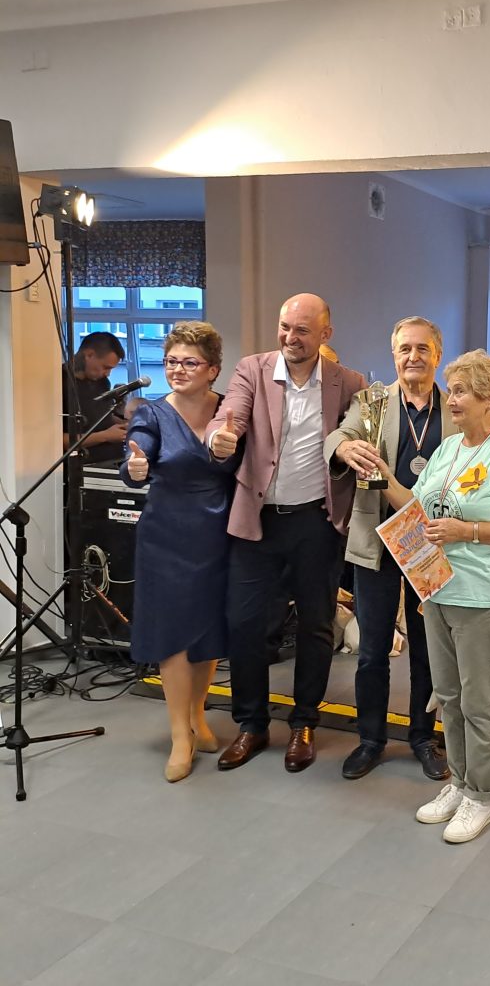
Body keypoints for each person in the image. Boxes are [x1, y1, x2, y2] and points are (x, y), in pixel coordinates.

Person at [369, 350, 490, 843]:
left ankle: (480, 796)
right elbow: (416, 506)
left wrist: (469, 531)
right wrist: (383, 475)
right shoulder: (448, 449)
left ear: (489, 397)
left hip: (481, 595)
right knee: (448, 696)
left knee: (480, 701)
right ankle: (460, 783)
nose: (453, 400)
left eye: (462, 391)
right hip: (438, 588)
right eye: (453, 391)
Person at [208, 293, 366, 774]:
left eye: (301, 330)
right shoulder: (253, 370)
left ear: (325, 334)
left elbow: (357, 434)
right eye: (284, 327)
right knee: (246, 625)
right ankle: (252, 724)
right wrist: (220, 436)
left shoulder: (348, 382)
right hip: (258, 521)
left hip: (317, 522)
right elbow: (230, 415)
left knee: (317, 625)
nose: (289, 337)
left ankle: (304, 723)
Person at [325, 316, 456, 782]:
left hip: (432, 545)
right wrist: (344, 450)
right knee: (372, 649)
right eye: (404, 349)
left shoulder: (455, 406)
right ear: (393, 354)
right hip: (378, 541)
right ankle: (370, 739)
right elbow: (339, 434)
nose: (413, 357)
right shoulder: (372, 402)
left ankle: (423, 737)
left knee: (429, 649)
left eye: (422, 348)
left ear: (437, 354)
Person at [120, 321, 236, 782]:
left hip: (217, 534)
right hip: (166, 537)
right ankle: (179, 737)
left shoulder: (230, 410)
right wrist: (135, 467)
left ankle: (198, 717)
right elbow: (137, 457)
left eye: (190, 362)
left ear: (212, 369)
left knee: (207, 633)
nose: (178, 369)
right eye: (171, 361)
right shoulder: (151, 413)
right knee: (173, 637)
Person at [62, 330, 128, 463]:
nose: (108, 374)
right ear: (89, 355)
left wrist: (126, 425)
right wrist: (105, 436)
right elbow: (58, 440)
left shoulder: (103, 382)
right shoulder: (60, 383)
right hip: (87, 465)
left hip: (115, 460)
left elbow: (101, 417)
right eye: (105, 367)